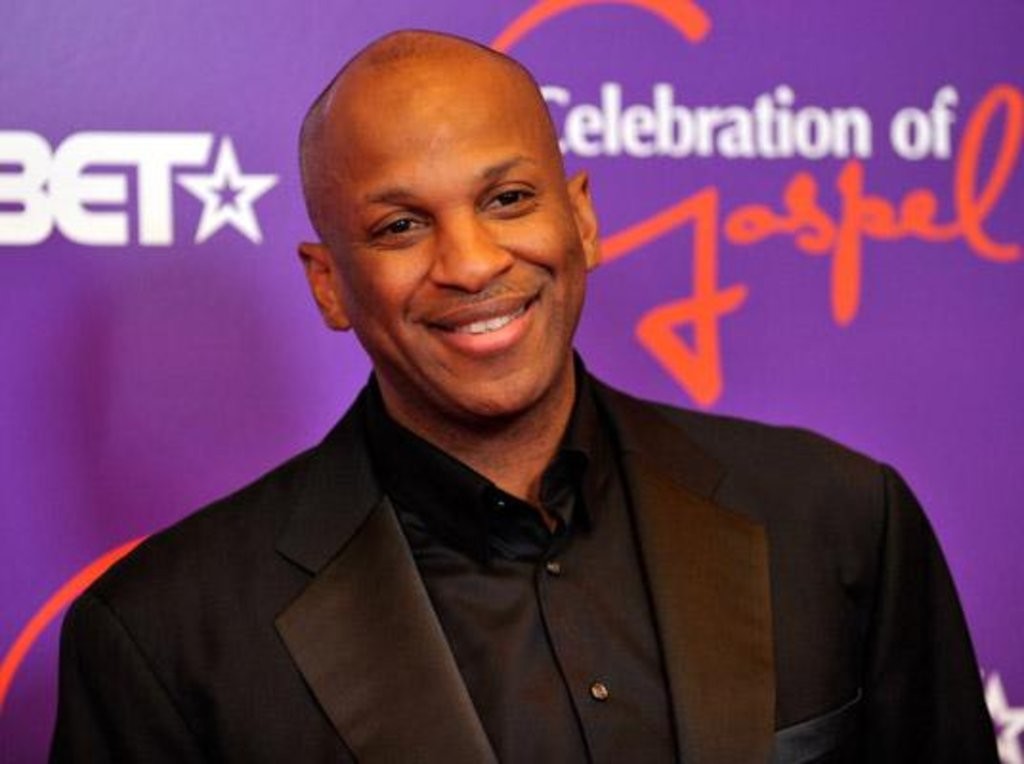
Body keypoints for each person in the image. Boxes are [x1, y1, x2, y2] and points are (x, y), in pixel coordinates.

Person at [50, 29, 997, 764]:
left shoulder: (837, 521)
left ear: (580, 217)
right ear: (329, 285)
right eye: (401, 225)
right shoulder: (166, 637)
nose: (471, 263)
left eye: (507, 200)